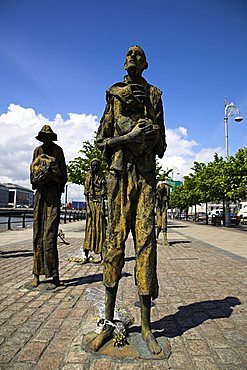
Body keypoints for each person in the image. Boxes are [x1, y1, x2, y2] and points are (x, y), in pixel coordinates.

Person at [91, 46, 167, 355]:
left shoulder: (156, 95)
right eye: (129, 53)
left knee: (146, 244)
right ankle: (108, 324)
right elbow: (101, 142)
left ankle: (147, 327)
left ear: (146, 63)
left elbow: (161, 145)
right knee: (114, 242)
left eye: (139, 53)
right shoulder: (113, 94)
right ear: (124, 61)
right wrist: (130, 138)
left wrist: (149, 135)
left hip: (146, 177)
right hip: (119, 176)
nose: (133, 56)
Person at [30, 125, 67, 288]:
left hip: (52, 196)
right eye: (43, 137)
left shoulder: (58, 152)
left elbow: (63, 177)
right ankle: (36, 274)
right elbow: (32, 178)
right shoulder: (37, 151)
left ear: (52, 138)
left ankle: (54, 276)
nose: (46, 140)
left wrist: (51, 174)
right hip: (40, 196)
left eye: (48, 137)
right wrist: (39, 177)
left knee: (49, 236)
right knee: (37, 234)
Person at [83, 159, 107, 263]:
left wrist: (102, 209)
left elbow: (103, 192)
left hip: (99, 204)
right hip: (91, 204)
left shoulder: (101, 177)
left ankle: (102, 254)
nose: (94, 167)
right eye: (93, 165)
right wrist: (88, 208)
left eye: (96, 166)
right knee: (89, 229)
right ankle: (86, 254)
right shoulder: (88, 176)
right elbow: (87, 195)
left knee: (100, 228)